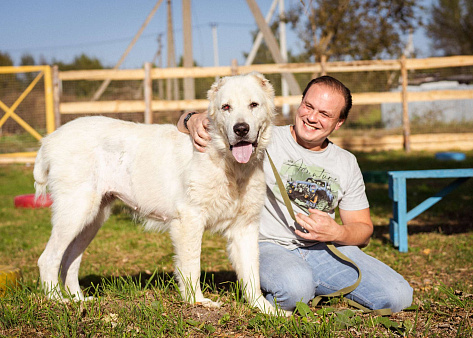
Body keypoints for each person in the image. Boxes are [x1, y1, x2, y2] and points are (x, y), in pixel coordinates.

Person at [177, 75, 413, 313]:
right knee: (295, 290)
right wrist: (193, 118)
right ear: (300, 104)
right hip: (269, 247)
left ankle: (311, 282)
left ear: (339, 122)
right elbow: (204, 120)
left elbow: (363, 230)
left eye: (324, 114)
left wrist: (337, 231)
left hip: (324, 249)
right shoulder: (263, 137)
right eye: (308, 106)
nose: (312, 118)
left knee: (398, 296)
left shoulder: (347, 162)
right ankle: (299, 284)